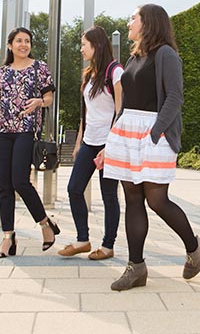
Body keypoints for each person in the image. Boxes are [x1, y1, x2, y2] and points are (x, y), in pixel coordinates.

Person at [102, 4, 200, 291]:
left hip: (153, 134)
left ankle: (195, 246)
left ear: (148, 22)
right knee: (133, 200)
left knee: (157, 200)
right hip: (127, 133)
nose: (128, 23)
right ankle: (136, 268)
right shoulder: (136, 57)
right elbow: (125, 104)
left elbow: (175, 97)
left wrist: (155, 133)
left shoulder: (166, 55)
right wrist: (113, 139)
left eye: (133, 18)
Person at [0, 27, 60, 258]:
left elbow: (49, 98)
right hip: (3, 131)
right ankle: (8, 237)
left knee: (20, 181)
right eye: (18, 41)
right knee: (4, 186)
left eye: (27, 41)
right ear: (10, 45)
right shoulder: (2, 72)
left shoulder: (39, 68)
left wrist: (39, 101)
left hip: (26, 131)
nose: (23, 44)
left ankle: (44, 223)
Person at [58, 26, 123, 261]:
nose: (81, 48)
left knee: (108, 196)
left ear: (96, 45)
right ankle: (82, 240)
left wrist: (111, 145)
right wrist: (78, 143)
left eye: (84, 44)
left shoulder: (115, 72)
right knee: (74, 188)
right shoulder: (88, 74)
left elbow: (120, 111)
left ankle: (108, 246)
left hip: (109, 143)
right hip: (89, 142)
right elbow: (86, 113)